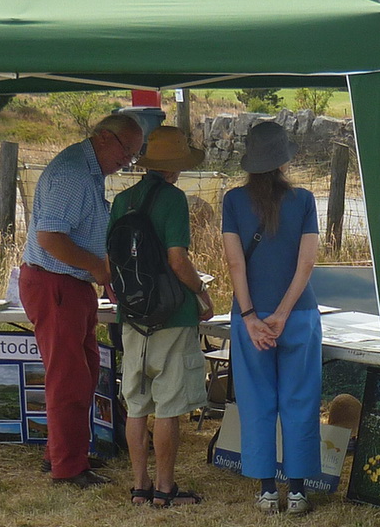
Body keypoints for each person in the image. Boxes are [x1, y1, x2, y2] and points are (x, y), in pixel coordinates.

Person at [19, 113, 143, 488]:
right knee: (69, 378)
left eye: (134, 156)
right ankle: (67, 468)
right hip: (56, 284)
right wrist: (99, 268)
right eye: (127, 151)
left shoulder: (86, 172)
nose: (127, 161)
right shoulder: (73, 174)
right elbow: (51, 238)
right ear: (104, 137)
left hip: (70, 285)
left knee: (84, 371)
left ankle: (62, 453)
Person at [109, 126, 212, 507]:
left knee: (136, 404)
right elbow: (177, 259)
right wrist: (200, 291)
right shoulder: (174, 200)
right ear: (176, 166)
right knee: (168, 405)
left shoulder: (122, 200)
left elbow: (111, 261)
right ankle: (165, 488)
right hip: (171, 313)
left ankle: (140, 487)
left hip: (133, 313)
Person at [221, 121, 321, 515]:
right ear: (284, 160)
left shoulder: (232, 200)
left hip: (250, 317)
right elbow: (307, 262)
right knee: (300, 400)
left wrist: (249, 316)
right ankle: (297, 491)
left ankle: (266, 489)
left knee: (256, 400)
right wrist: (282, 313)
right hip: (298, 314)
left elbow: (234, 263)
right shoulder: (305, 199)